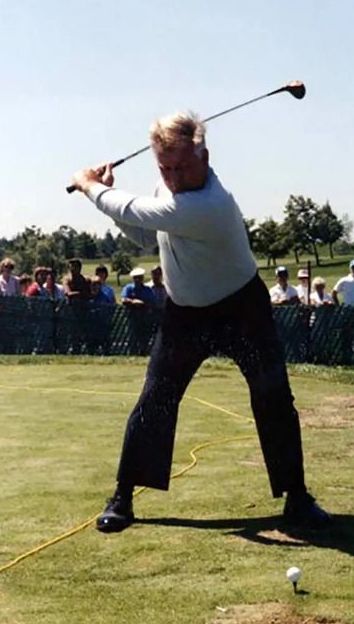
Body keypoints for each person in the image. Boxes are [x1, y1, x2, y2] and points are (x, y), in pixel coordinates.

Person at [70, 111, 330, 533]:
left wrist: (90, 186)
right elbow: (147, 233)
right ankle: (123, 496)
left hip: (242, 308)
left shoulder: (210, 204)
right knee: (155, 398)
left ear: (204, 157)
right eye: (165, 168)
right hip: (184, 312)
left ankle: (297, 497)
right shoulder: (172, 192)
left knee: (273, 398)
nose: (173, 177)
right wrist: (109, 203)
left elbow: (138, 209)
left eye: (182, 167)